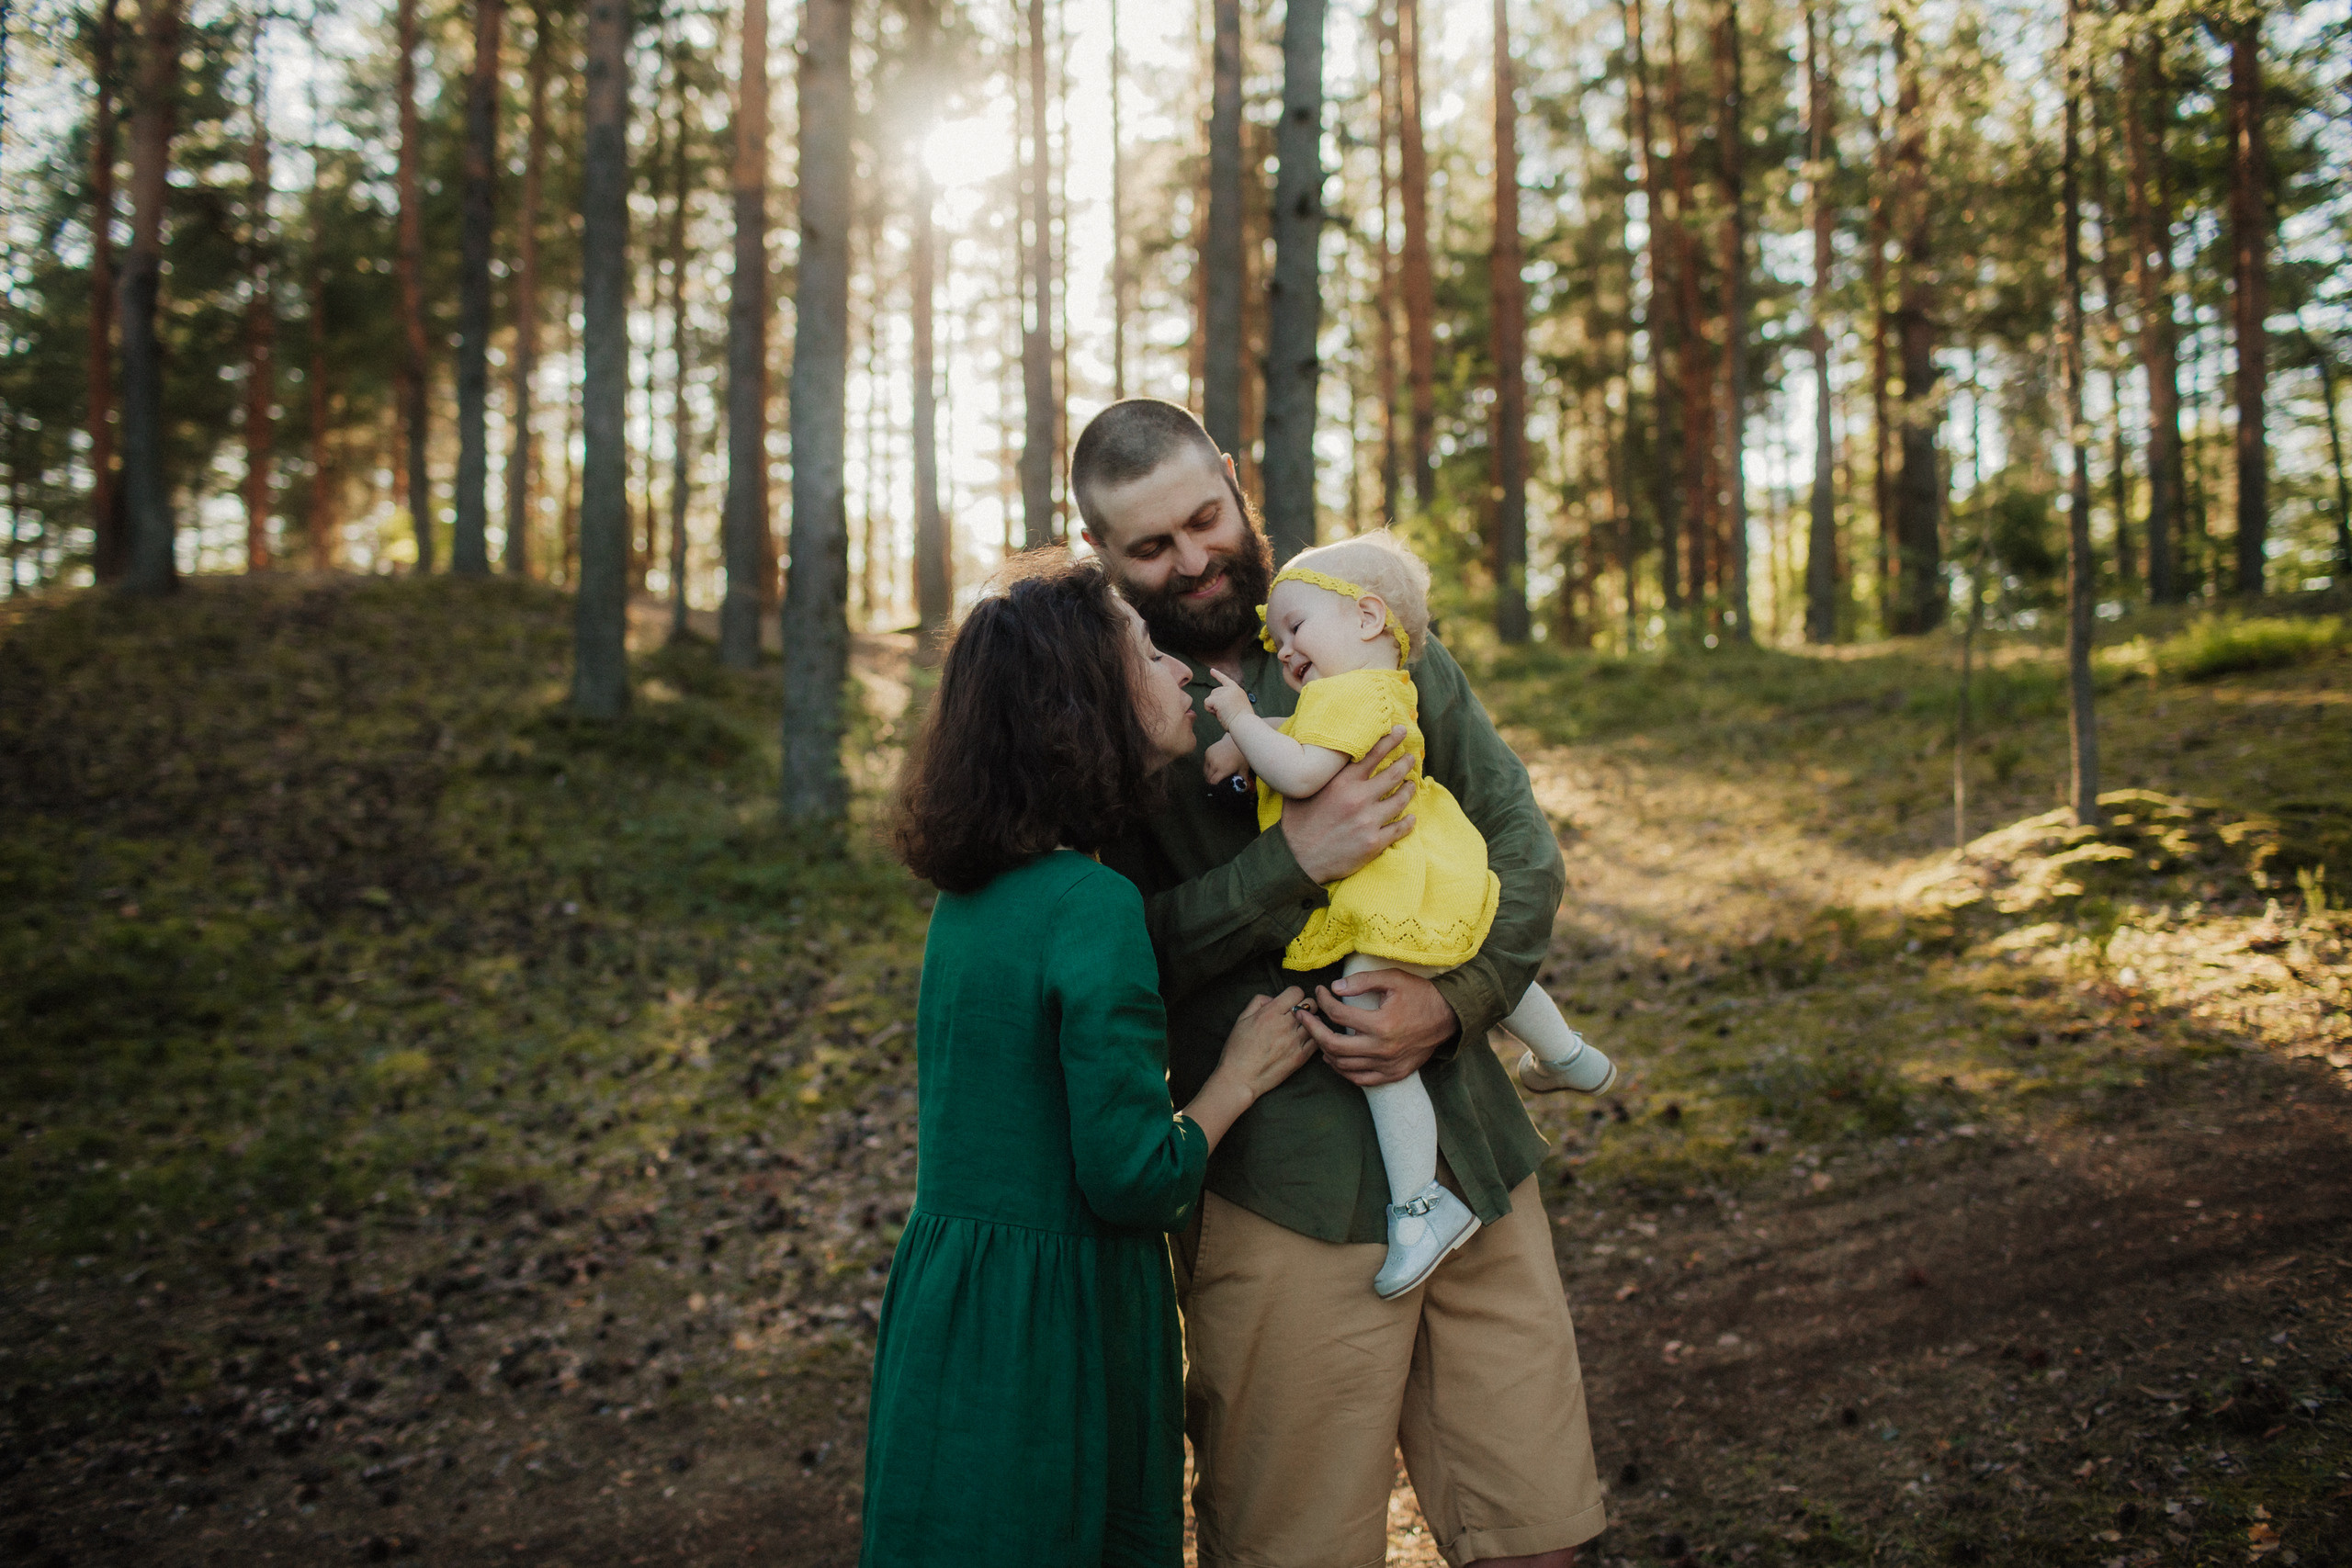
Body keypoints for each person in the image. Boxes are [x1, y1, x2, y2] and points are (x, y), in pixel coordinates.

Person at [1076, 399, 1608, 1568]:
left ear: (1232, 477)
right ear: (1099, 556)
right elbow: (1104, 964)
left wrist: (1452, 1002)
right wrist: (1288, 865)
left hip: (1469, 1147)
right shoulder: (1100, 704)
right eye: (1149, 548)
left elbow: (1520, 848)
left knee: (1540, 1535)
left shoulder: (1363, 622)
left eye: (1204, 519)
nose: (1194, 559)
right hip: (1281, 1191)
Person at [860, 554, 1321, 1568]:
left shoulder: (972, 896)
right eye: (1149, 654)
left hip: (951, 1309)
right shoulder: (1093, 903)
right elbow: (1129, 1179)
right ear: (1086, 702)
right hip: (1056, 1333)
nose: (1180, 673)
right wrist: (1236, 1078)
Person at [1200, 528, 1620, 1298]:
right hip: (1437, 865)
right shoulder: (1378, 687)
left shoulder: (1347, 694)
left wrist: (1236, 717)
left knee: (1370, 1022)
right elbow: (1312, 738)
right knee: (1459, 948)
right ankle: (1568, 1056)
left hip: (1389, 884)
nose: (1282, 650)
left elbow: (1298, 771)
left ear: (1365, 618)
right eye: (1274, 637)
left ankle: (1421, 1205)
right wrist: (1254, 742)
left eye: (1294, 627)